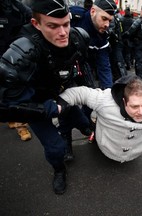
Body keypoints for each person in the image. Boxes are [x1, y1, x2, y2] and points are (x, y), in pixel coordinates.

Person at [0, 0, 95, 194]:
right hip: (37, 102)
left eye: (66, 24)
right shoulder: (22, 52)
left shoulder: (78, 39)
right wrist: (48, 109)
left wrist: (90, 97)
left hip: (64, 94)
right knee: (55, 148)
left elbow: (84, 70)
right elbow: (5, 104)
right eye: (53, 26)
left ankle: (75, 131)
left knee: (85, 123)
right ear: (37, 24)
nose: (63, 33)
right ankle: (59, 170)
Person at [0, 0, 33, 141]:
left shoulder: (15, 6)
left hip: (13, 54)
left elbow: (30, 16)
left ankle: (21, 125)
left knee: (17, 88)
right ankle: (10, 118)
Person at [69, 0, 117, 89]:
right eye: (104, 18)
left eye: (110, 21)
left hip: (82, 67)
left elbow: (104, 66)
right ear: (93, 11)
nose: (107, 24)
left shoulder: (102, 36)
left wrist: (108, 92)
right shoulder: (74, 17)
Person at [123, 5, 142, 82]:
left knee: (138, 62)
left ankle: (139, 80)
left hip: (138, 44)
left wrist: (125, 37)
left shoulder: (138, 21)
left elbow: (130, 31)